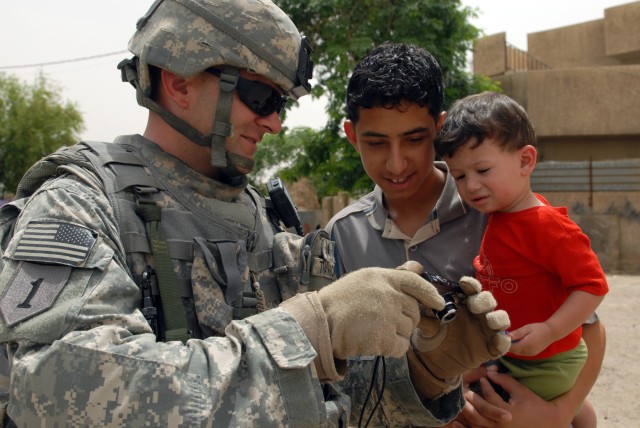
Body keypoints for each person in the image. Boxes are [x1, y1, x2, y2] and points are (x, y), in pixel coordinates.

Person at [0, 2, 508, 427]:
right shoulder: (80, 203)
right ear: (179, 82)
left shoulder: (267, 223)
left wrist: (425, 369)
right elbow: (54, 391)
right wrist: (314, 327)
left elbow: (332, 405)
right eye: (261, 97)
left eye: (280, 102)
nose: (275, 123)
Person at [325, 42, 607, 427]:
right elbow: (334, 365)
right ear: (352, 135)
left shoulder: (500, 212)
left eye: (414, 139)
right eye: (375, 143)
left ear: (438, 130)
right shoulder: (340, 237)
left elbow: (590, 330)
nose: (395, 162)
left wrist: (558, 412)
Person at [435, 91, 609, 424]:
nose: (471, 185)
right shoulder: (501, 215)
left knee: (500, 412)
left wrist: (550, 329)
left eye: (483, 169)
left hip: (548, 359)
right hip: (514, 351)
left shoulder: (548, 226)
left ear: (525, 161)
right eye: (459, 176)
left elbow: (593, 286)